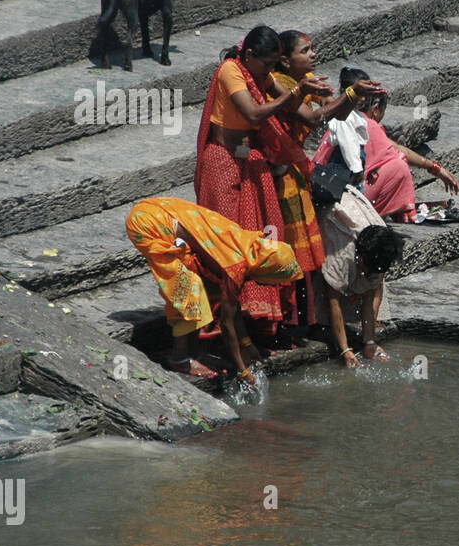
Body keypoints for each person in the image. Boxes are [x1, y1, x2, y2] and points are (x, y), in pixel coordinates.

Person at [193, 25, 330, 339]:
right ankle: (223, 326)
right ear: (250, 55)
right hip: (222, 162)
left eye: (274, 65)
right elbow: (254, 115)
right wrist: (297, 92)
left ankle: (254, 322)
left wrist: (350, 95)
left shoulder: (260, 74)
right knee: (227, 245)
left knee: (264, 238)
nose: (270, 72)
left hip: (249, 159)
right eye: (267, 64)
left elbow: (306, 116)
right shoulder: (231, 71)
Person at [125, 197, 303, 384]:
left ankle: (194, 354)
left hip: (160, 212)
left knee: (207, 288)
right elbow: (227, 324)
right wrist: (242, 371)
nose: (271, 286)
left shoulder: (249, 248)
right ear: (269, 268)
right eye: (274, 281)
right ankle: (180, 359)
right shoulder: (236, 266)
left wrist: (247, 345)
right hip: (146, 223)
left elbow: (234, 308)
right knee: (188, 289)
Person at [270, 30, 381, 327]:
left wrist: (354, 94)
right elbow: (314, 118)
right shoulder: (280, 84)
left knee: (305, 244)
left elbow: (337, 114)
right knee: (290, 245)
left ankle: (303, 320)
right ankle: (285, 321)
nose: (313, 55)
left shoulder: (308, 80)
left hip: (295, 170)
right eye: (305, 51)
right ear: (284, 60)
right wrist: (352, 93)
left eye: (312, 49)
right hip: (276, 173)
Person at [343, 67, 459, 221]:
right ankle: (405, 214)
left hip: (338, 193)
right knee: (399, 166)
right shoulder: (367, 124)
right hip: (351, 199)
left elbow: (395, 146)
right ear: (376, 109)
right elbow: (398, 152)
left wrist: (435, 168)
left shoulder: (343, 116)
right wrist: (436, 169)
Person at [318, 216, 404, 367]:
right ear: (360, 259)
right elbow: (333, 301)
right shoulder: (342, 256)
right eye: (367, 271)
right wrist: (345, 350)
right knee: (319, 307)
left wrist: (370, 342)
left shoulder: (383, 250)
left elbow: (370, 295)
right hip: (327, 223)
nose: (370, 276)